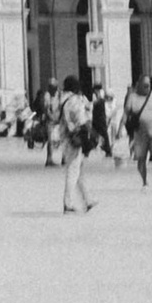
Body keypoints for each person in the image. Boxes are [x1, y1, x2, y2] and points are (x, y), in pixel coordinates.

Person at [57, 75, 95, 218]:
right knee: (73, 171)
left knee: (79, 170)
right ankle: (67, 203)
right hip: (75, 138)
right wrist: (89, 133)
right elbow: (81, 119)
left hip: (65, 138)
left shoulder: (62, 99)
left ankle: (87, 200)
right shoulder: (74, 101)